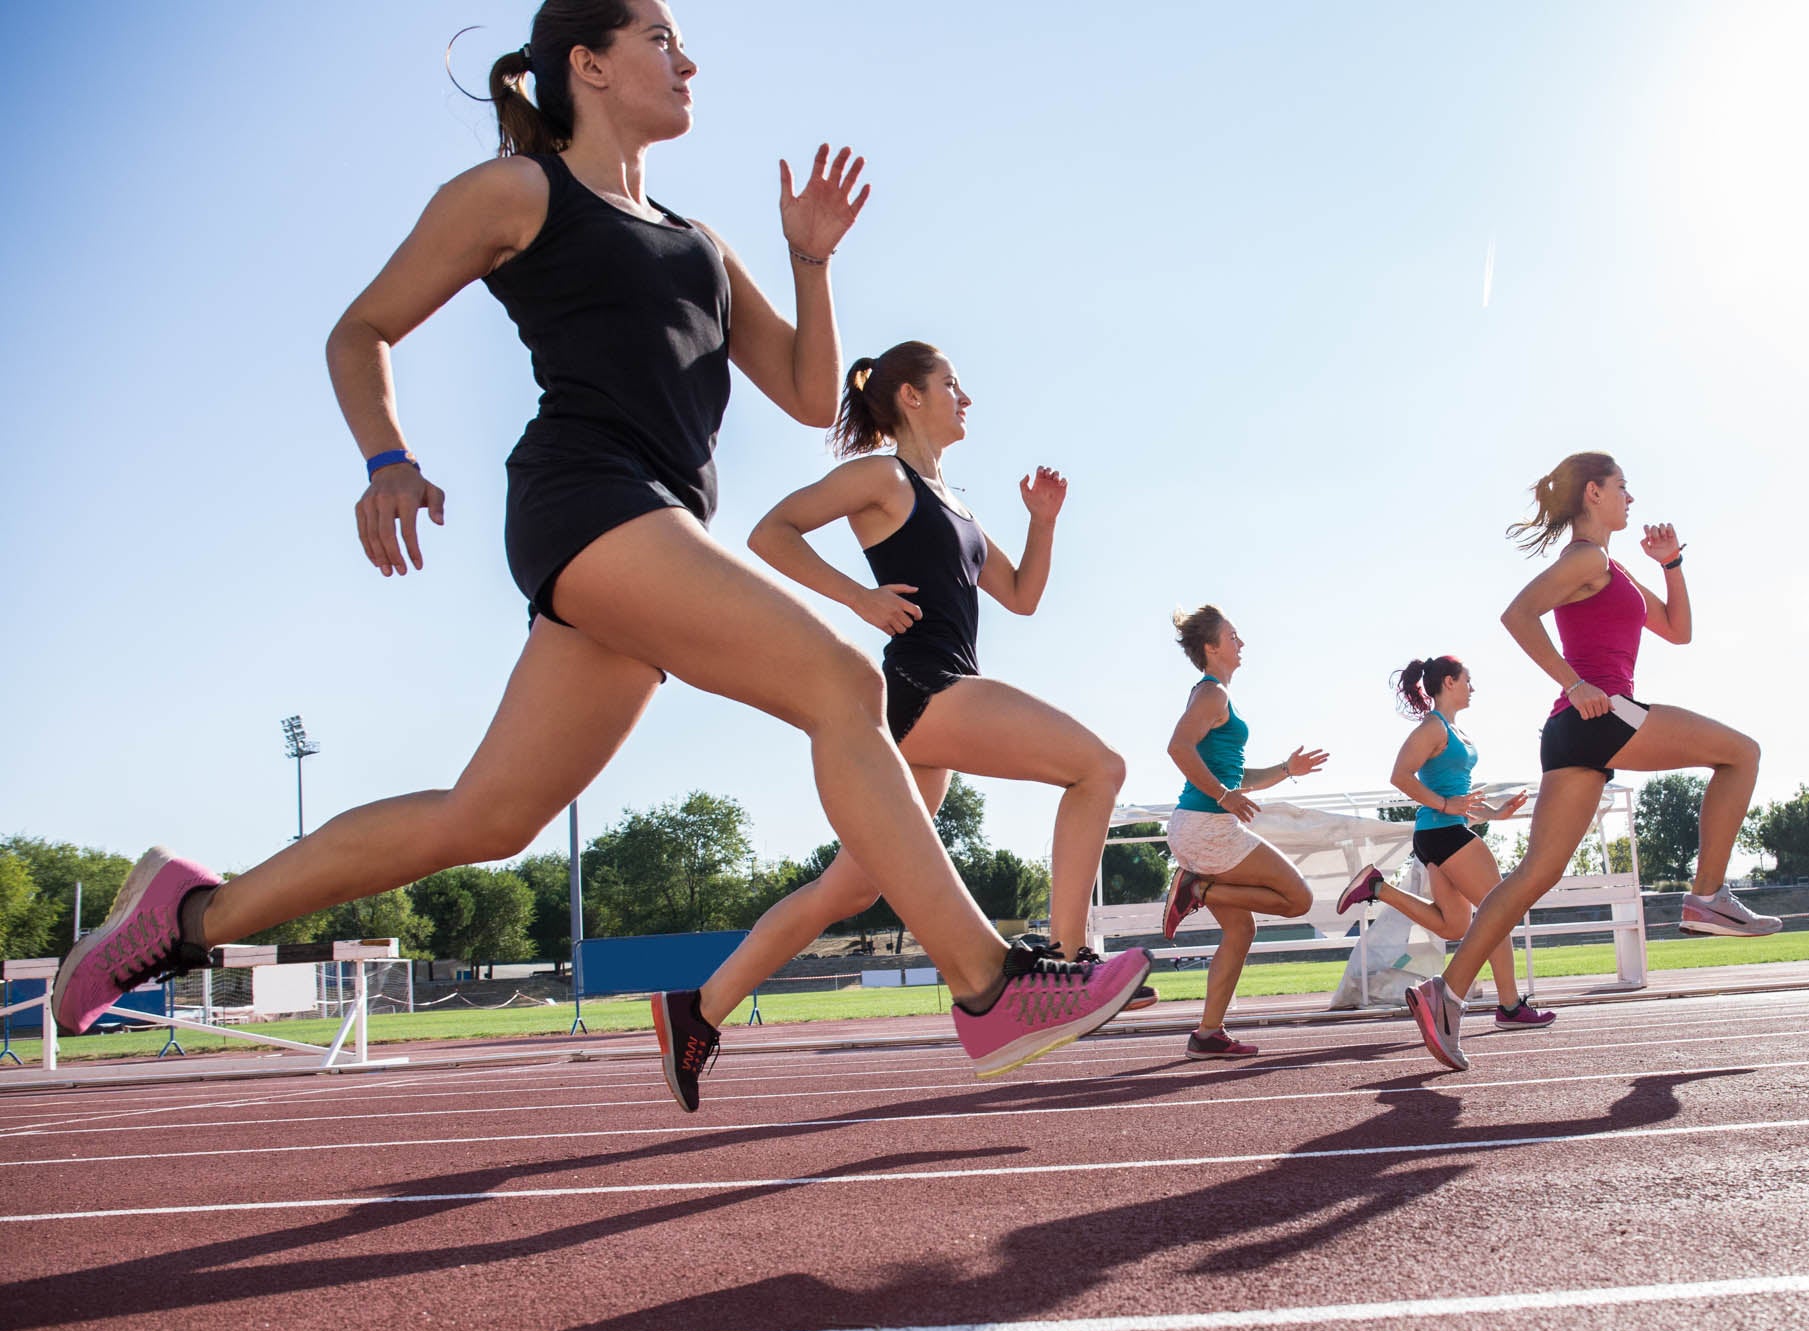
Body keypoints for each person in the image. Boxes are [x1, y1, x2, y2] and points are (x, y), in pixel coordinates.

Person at [51, 0, 1145, 1084]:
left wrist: (808, 264)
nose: (688, 61)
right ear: (588, 63)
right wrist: (387, 459)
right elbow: (360, 330)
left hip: (655, 527)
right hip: (589, 498)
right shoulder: (522, 192)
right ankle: (988, 985)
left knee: (488, 817)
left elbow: (813, 392)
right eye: (660, 39)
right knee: (841, 682)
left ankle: (187, 914)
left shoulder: (700, 244)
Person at [648, 340, 1151, 1110]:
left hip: (940, 700)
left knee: (842, 892)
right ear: (911, 397)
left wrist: (1041, 521)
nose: (966, 398)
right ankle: (1069, 957)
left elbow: (1020, 595)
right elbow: (771, 532)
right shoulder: (883, 477)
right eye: (953, 384)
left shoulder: (959, 506)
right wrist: (859, 598)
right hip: (924, 686)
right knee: (1097, 767)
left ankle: (699, 1008)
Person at [1406, 451, 1775, 1071]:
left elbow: (1679, 632)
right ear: (1595, 493)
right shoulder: (1586, 558)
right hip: (1598, 716)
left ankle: (1445, 994)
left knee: (1533, 875)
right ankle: (1706, 895)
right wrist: (1573, 681)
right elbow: (1516, 615)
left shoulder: (1615, 567)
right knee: (1742, 754)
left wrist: (1673, 565)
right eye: (1623, 487)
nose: (1633, 498)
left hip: (1575, 734)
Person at [1159, 606, 1442, 1058]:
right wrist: (1222, 796)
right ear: (1211, 648)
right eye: (1233, 636)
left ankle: (1207, 1033)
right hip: (1207, 825)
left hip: (1199, 824)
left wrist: (1286, 770)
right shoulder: (1211, 695)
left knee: (1241, 932)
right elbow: (1178, 747)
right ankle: (1199, 889)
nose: (1242, 643)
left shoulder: (1215, 698)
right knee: (1299, 899)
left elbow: (1237, 776)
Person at [1381, 656, 1551, 1028]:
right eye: (1468, 680)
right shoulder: (1433, 728)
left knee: (1454, 925)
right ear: (1449, 682)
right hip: (1443, 833)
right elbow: (1399, 775)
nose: (1473, 688)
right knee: (1499, 911)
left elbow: (1458, 796)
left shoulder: (1452, 730)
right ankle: (1509, 1007)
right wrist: (1444, 805)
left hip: (1439, 834)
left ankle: (1379, 889)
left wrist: (1494, 813)